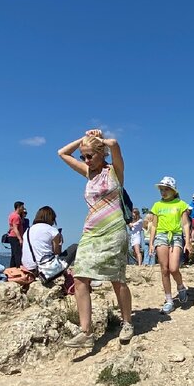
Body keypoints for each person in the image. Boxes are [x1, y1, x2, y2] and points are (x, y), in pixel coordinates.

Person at [57, 130, 134, 349]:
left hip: (114, 231)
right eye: (83, 156)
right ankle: (86, 332)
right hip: (90, 232)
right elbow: (62, 153)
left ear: (102, 153)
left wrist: (101, 140)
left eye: (90, 155)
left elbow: (115, 143)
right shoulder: (88, 173)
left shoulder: (115, 172)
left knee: (117, 279)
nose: (86, 160)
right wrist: (82, 140)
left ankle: (127, 322)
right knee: (80, 277)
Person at [146, 176, 193, 313]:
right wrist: (151, 242)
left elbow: (185, 224)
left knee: (173, 268)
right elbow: (154, 225)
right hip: (161, 236)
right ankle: (169, 300)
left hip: (175, 236)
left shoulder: (181, 204)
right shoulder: (157, 205)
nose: (163, 192)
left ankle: (181, 286)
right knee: (164, 269)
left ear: (173, 191)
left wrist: (188, 241)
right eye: (161, 189)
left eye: (166, 189)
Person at [20, 205, 78, 280]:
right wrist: (60, 241)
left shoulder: (27, 231)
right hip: (45, 270)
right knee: (75, 247)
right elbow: (57, 252)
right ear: (51, 218)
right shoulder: (52, 230)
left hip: (29, 269)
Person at [6, 201, 27, 269]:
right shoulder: (16, 216)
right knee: (18, 254)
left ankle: (12, 269)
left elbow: (12, 226)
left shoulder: (11, 215)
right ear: (18, 207)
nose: (23, 208)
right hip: (15, 237)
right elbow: (15, 228)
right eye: (22, 207)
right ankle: (18, 269)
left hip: (12, 236)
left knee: (14, 254)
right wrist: (20, 238)